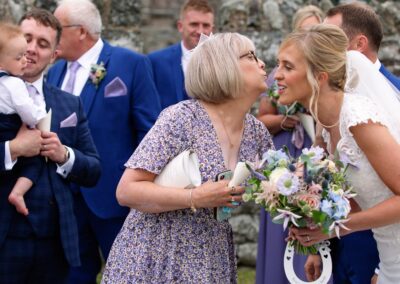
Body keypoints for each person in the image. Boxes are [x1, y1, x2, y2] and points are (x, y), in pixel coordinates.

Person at [101, 32, 273, 283]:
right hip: (156, 254)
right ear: (223, 66)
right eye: (250, 56)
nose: (262, 63)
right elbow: (127, 191)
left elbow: (280, 186)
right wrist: (195, 197)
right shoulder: (181, 118)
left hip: (211, 256)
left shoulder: (257, 132)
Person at [45, 0, 161, 282]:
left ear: (81, 31)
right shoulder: (57, 71)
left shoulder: (130, 64)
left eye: (57, 29)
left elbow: (150, 135)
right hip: (66, 199)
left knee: (127, 275)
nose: (52, 37)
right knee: (72, 275)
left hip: (113, 198)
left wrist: (140, 188)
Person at [275, 24, 400, 284]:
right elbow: (367, 194)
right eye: (279, 65)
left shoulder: (357, 118)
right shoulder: (328, 125)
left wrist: (334, 228)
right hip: (389, 256)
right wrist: (312, 219)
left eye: (288, 67)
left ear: (319, 77)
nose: (277, 75)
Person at [0, 8, 101, 283]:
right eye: (26, 38)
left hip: (55, 242)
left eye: (42, 44)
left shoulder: (69, 104)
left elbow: (93, 168)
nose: (31, 49)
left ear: (54, 55)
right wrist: (14, 148)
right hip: (4, 237)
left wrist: (64, 155)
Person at [308, 3, 399, 283]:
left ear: (358, 44)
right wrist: (317, 243)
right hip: (344, 253)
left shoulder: (390, 94)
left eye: (331, 36)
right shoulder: (327, 108)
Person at [255, 5, 324, 284]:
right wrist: (285, 121)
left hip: (313, 148)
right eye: (305, 31)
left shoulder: (322, 76)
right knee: (280, 215)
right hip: (285, 151)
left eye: (315, 32)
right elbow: (262, 118)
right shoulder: (277, 76)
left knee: (310, 208)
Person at [0, 22, 47, 216]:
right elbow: (28, 112)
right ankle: (18, 193)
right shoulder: (14, 83)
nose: (25, 61)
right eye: (19, 57)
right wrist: (40, 115)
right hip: (11, 128)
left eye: (24, 55)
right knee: (36, 162)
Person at [148, 0, 214, 110]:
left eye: (206, 25)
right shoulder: (155, 61)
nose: (200, 31)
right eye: (194, 24)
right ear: (180, 26)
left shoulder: (223, 63)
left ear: (212, 28)